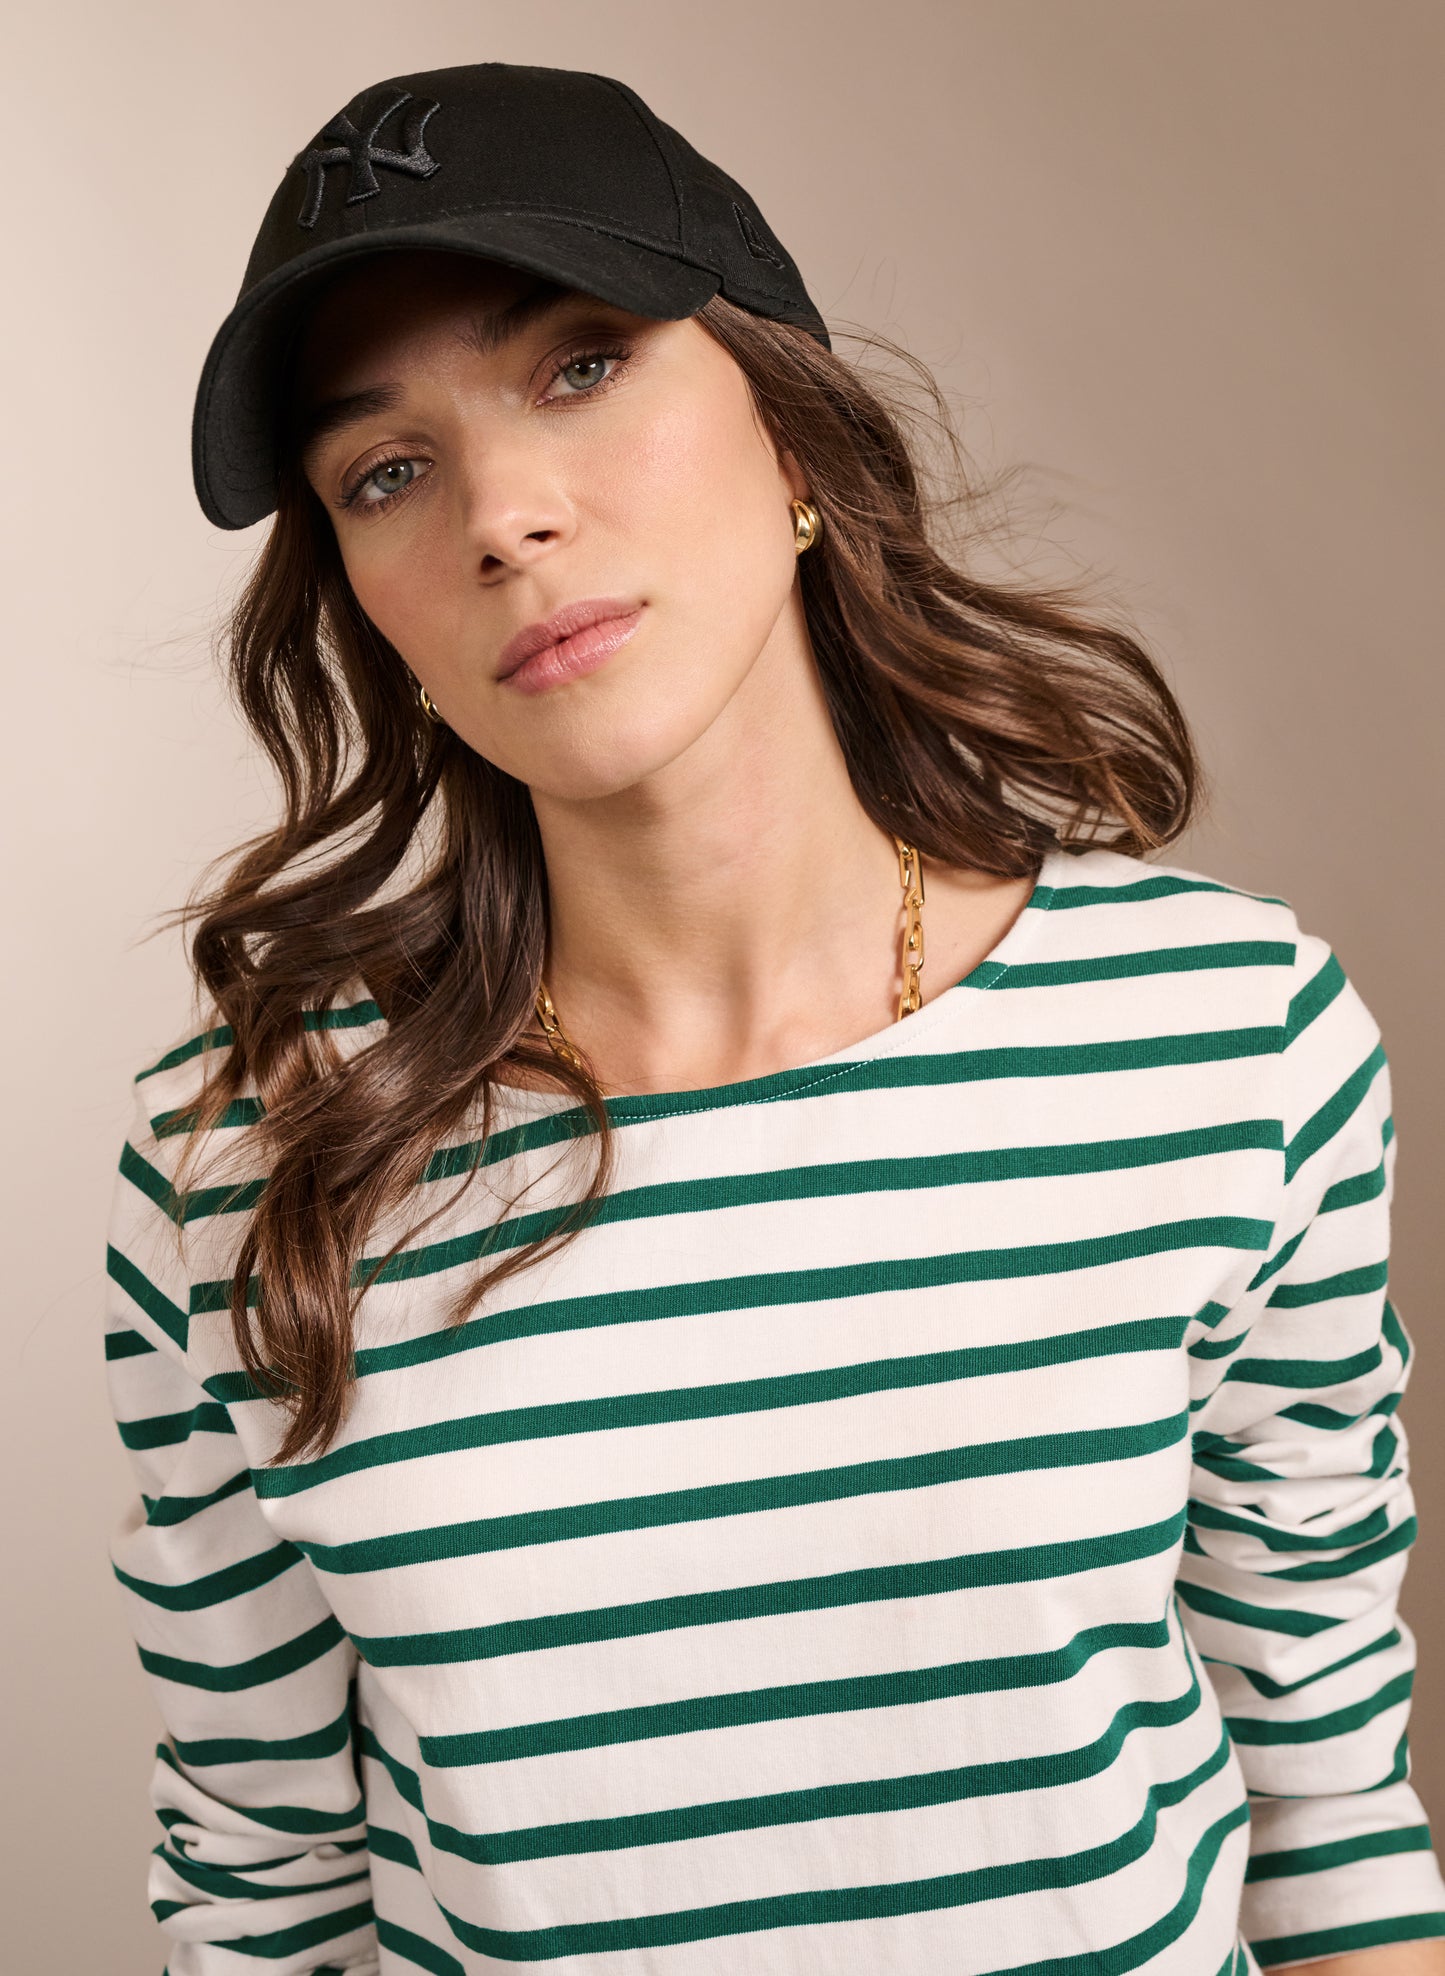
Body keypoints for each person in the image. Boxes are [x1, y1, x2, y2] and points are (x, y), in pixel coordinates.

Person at [102, 59, 1445, 1976]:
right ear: (363, 604)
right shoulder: (246, 1156)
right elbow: (262, 1886)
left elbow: (1329, 1807)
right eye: (385, 472)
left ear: (794, 431)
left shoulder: (1223, 1036)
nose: (504, 516)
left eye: (581, 367)